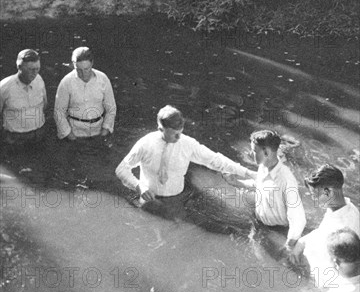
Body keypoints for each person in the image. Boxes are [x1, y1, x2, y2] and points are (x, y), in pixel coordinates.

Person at [115, 105, 254, 208]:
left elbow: (216, 160)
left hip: (177, 199)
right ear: (160, 129)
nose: (178, 137)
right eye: (174, 134)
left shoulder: (187, 143)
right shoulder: (145, 144)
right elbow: (121, 169)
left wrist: (249, 173)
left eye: (180, 132)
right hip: (148, 199)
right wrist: (138, 186)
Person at [223, 130, 306, 252]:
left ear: (266, 152)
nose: (252, 154)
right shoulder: (263, 166)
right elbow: (260, 184)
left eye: (255, 151)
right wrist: (236, 182)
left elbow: (299, 220)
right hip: (260, 223)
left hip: (278, 231)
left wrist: (288, 246)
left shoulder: (286, 181)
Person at [291, 164, 360, 287]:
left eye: (314, 195)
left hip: (320, 281)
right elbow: (322, 231)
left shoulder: (346, 228)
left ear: (328, 192)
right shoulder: (340, 207)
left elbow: (344, 272)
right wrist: (302, 242)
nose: (314, 200)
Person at [54, 47, 116, 140]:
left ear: (92, 63)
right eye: (79, 70)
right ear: (73, 65)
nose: (83, 74)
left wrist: (105, 131)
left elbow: (111, 108)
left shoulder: (103, 79)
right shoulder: (66, 82)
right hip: (75, 133)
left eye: (86, 69)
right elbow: (59, 112)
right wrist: (70, 136)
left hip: (99, 132)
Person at [0, 49, 47, 144]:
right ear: (19, 67)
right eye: (30, 69)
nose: (35, 73)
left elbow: (45, 104)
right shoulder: (4, 87)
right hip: (15, 139)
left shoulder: (39, 80)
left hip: (39, 135)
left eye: (37, 69)